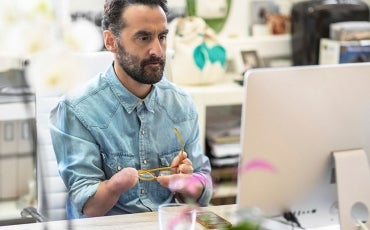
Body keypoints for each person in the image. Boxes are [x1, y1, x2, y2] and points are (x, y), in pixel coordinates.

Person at [49, 0, 213, 219]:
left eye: (162, 37)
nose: (157, 50)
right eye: (143, 38)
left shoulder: (182, 104)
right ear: (111, 41)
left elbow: (203, 182)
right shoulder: (76, 109)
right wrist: (115, 186)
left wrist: (188, 184)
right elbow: (88, 206)